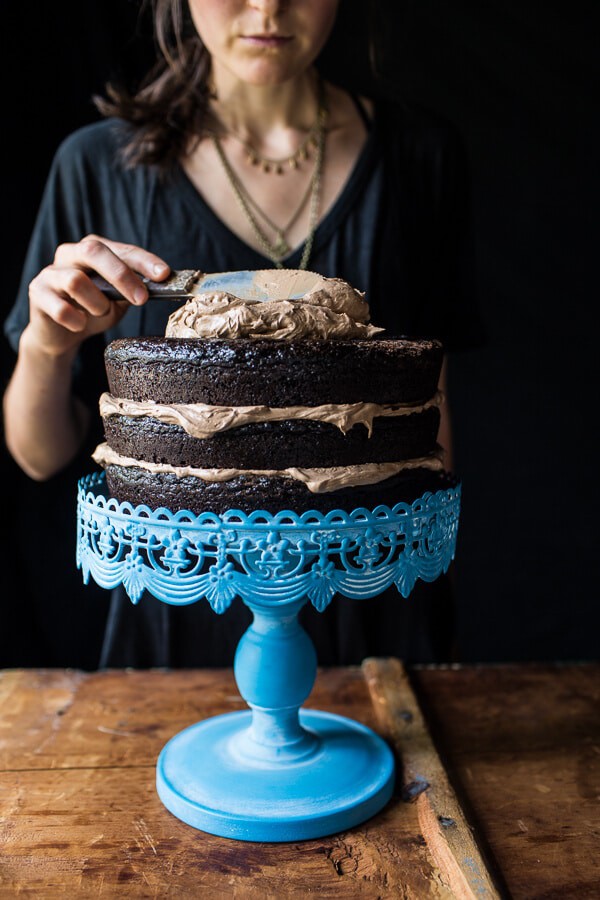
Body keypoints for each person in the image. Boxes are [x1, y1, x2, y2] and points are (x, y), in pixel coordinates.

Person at [3, 0, 479, 668]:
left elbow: (426, 415)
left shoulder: (420, 156)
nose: (267, 7)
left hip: (372, 604)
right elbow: (38, 454)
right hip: (174, 621)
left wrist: (435, 596)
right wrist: (47, 346)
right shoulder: (96, 165)